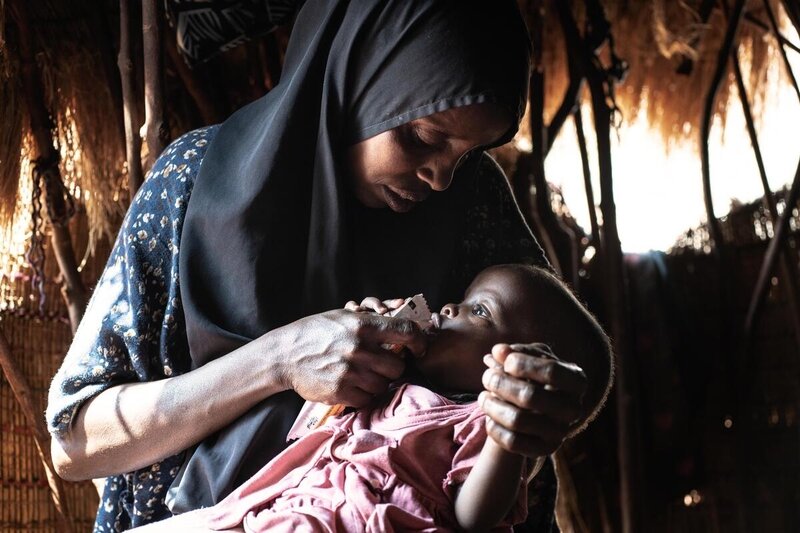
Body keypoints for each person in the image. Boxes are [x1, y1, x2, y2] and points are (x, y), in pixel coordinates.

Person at [46, 1, 588, 530]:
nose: (441, 179)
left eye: (468, 154)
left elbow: (567, 349)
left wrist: (542, 402)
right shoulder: (191, 183)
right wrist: (277, 360)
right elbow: (76, 442)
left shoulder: (473, 203)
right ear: (356, 79)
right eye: (422, 137)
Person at [134, 264, 613, 532]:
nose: (450, 308)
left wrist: (509, 441)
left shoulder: (480, 422)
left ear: (514, 365)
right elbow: (314, 426)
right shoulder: (392, 384)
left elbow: (475, 516)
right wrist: (364, 336)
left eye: (480, 311)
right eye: (464, 298)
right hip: (279, 515)